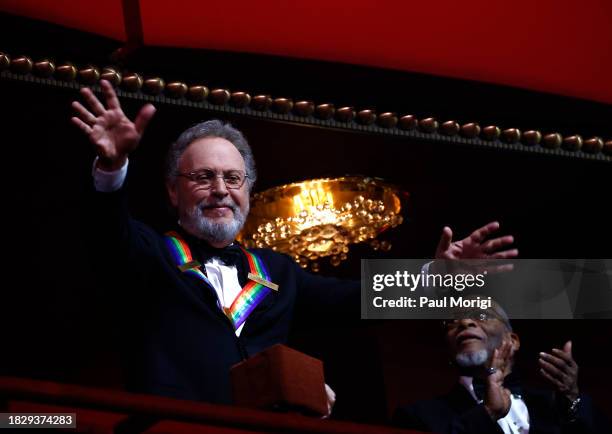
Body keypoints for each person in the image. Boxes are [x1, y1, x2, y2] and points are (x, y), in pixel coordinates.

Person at [71, 79, 519, 405]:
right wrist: (111, 168)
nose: (221, 189)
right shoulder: (149, 253)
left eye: (233, 178)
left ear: (248, 188)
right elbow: (105, 231)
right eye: (202, 177)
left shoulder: (277, 270)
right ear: (173, 190)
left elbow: (356, 300)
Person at [392, 302, 609, 433]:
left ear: (513, 341)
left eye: (482, 315)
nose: (465, 323)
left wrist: (571, 399)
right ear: (448, 350)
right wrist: (486, 414)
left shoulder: (557, 407)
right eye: (452, 322)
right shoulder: (417, 417)